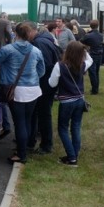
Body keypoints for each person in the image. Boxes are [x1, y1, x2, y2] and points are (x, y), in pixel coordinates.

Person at [0, 22, 45, 164]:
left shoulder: (8, 50)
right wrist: (32, 79)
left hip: (15, 91)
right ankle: (26, 147)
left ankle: (21, 154)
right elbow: (41, 71)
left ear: (15, 33)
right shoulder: (36, 51)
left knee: (19, 123)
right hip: (33, 90)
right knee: (28, 120)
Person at [48, 41, 93, 167]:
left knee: (63, 128)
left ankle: (72, 157)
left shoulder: (60, 66)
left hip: (66, 101)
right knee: (76, 127)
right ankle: (75, 153)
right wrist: (84, 51)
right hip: (79, 100)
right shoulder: (82, 64)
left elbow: (52, 84)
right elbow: (91, 60)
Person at [27, 23, 62, 154]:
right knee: (39, 112)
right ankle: (32, 140)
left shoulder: (39, 43)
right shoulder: (45, 40)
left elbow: (45, 66)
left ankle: (46, 145)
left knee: (43, 114)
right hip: (47, 83)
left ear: (31, 31)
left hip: (44, 85)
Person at [80, 19, 103, 95]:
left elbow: (81, 42)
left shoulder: (88, 35)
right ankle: (96, 88)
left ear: (90, 26)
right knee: (96, 72)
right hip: (99, 55)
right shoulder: (100, 35)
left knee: (92, 73)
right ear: (98, 26)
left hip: (92, 54)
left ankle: (94, 90)